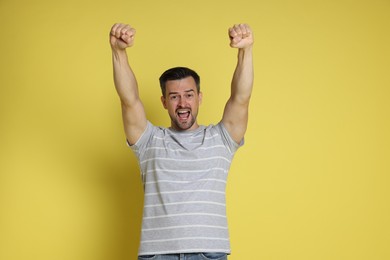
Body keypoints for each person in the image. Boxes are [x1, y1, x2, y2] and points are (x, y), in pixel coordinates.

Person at [110, 22, 254, 260]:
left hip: (209, 254)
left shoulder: (221, 139)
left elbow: (241, 98)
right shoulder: (150, 141)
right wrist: (118, 52)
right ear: (164, 102)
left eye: (188, 95)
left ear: (199, 98)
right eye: (174, 97)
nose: (183, 103)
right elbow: (129, 100)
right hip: (158, 255)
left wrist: (245, 51)